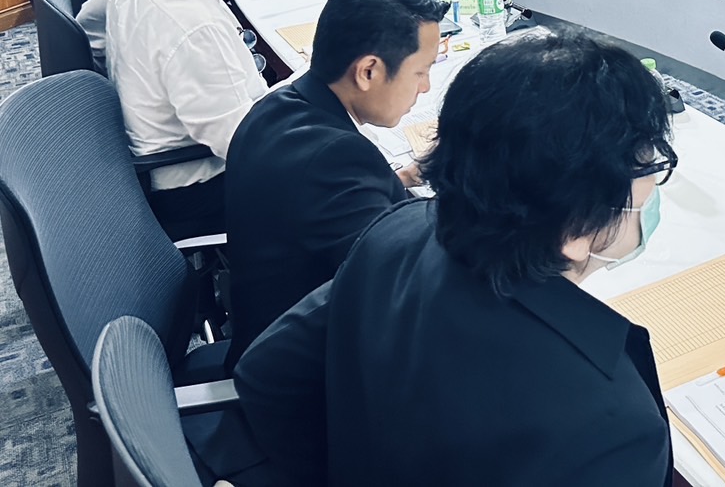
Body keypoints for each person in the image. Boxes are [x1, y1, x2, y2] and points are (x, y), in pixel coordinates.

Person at [234, 27, 677, 487]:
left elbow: (267, 373)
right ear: (577, 228)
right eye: (649, 165)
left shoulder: (396, 233)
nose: (651, 187)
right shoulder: (613, 425)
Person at [225, 0, 448, 369]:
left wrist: (408, 175)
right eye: (421, 71)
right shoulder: (336, 158)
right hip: (306, 375)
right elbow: (411, 285)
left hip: (271, 332)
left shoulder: (278, 107)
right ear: (368, 71)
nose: (425, 87)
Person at [77, 0, 286, 240]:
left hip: (150, 156)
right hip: (196, 186)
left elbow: (86, 28)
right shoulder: (195, 28)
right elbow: (247, 147)